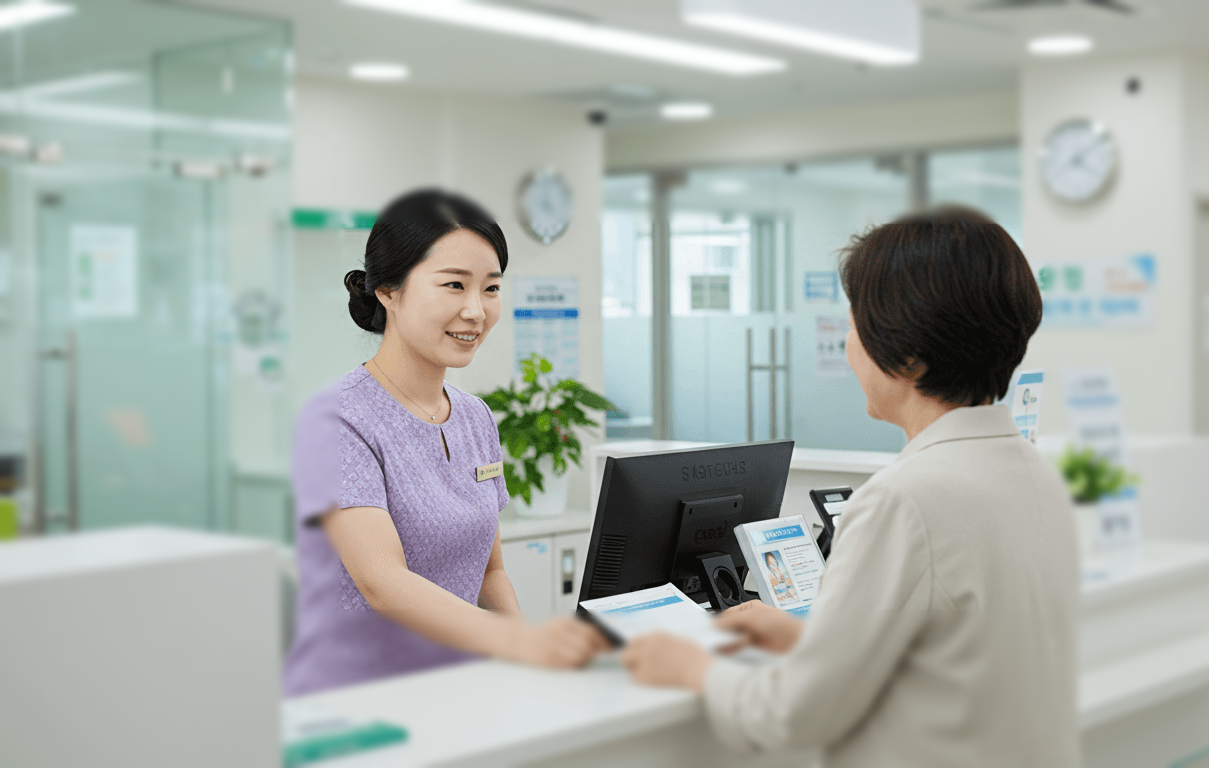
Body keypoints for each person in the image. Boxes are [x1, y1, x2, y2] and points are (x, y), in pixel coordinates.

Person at [621, 206, 1080, 766]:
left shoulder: (906, 501)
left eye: (855, 324)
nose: (848, 346)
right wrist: (808, 642)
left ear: (907, 355)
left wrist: (693, 667)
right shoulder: (1034, 474)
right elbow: (957, 656)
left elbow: (794, 715)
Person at [284, 189, 607, 696]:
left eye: (492, 288)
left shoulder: (475, 418)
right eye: (454, 285)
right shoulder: (337, 420)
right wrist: (515, 644)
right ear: (388, 291)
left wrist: (526, 658)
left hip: (456, 686)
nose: (476, 311)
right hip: (359, 697)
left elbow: (490, 571)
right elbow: (383, 583)